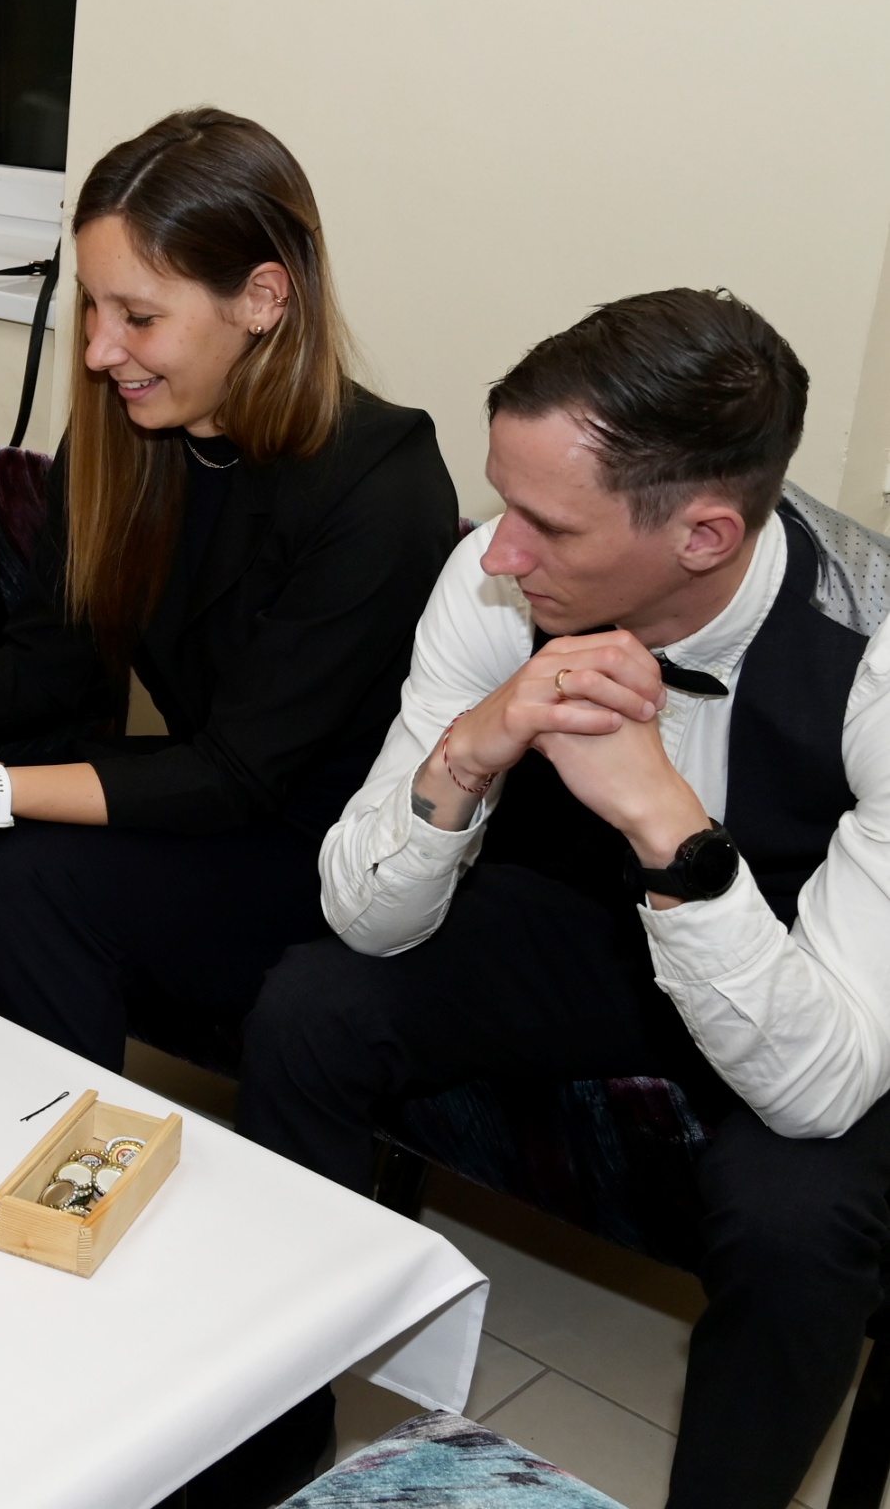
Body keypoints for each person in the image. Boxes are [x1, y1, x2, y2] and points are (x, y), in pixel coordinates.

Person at [237, 290, 890, 1509]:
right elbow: (360, 911)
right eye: (505, 502)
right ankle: (262, 1447)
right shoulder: (494, 580)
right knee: (315, 1004)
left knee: (793, 1215)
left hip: (827, 994)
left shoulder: (875, 657)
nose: (498, 551)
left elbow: (820, 1087)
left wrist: (664, 824)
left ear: (702, 535)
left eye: (544, 525)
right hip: (608, 934)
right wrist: (467, 753)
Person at [0, 109, 456, 1071]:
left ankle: (30, 1137)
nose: (97, 350)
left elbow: (237, 775)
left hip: (326, 855)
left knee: (31, 885)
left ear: (262, 299)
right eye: (91, 307)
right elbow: (55, 666)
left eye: (137, 317)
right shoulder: (134, 436)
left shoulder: (380, 485)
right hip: (203, 792)